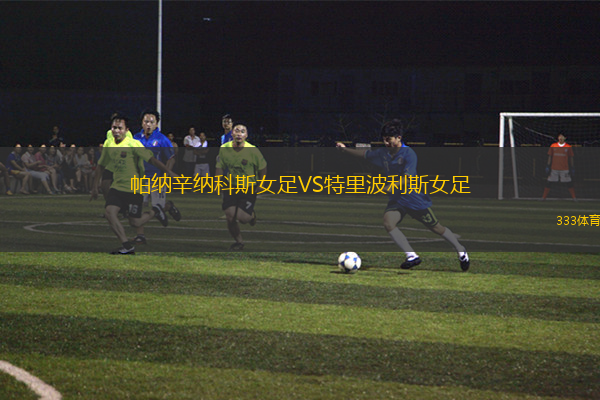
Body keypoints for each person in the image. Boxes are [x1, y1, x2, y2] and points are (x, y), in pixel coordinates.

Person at [336, 119, 470, 271]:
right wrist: (345, 150)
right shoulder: (383, 153)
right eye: (384, 140)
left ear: (398, 138)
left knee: (437, 228)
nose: (386, 143)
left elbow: (408, 178)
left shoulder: (409, 154)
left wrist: (390, 186)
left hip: (414, 198)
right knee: (388, 222)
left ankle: (461, 250)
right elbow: (365, 154)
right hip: (397, 199)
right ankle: (412, 256)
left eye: (389, 140)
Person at [90, 113, 177, 255]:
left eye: (120, 128)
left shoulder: (134, 144)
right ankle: (127, 246)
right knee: (109, 212)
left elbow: (152, 160)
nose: (116, 131)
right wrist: (95, 187)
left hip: (133, 189)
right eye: (114, 127)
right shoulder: (108, 144)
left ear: (126, 130)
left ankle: (155, 211)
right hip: (117, 188)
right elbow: (101, 166)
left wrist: (168, 172)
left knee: (135, 222)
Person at [132, 109, 181, 245]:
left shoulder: (162, 139)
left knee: (157, 207)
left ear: (156, 124)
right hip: (139, 179)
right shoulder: (135, 138)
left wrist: (166, 175)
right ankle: (140, 235)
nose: (148, 124)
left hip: (157, 178)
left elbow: (171, 158)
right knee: (139, 207)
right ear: (142, 123)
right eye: (146, 121)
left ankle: (168, 206)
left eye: (151, 122)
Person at [215, 123, 267, 251]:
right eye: (237, 131)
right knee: (230, 216)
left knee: (243, 218)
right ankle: (239, 242)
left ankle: (251, 215)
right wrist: (217, 182)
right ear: (232, 134)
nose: (239, 134)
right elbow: (219, 166)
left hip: (248, 187)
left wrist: (262, 184)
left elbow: (263, 167)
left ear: (246, 135)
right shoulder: (224, 148)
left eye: (242, 131)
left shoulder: (253, 150)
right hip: (231, 186)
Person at [542, 133, 576, 201]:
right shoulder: (553, 145)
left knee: (569, 183)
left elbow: (571, 157)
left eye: (562, 136)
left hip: (565, 169)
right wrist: (548, 166)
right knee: (549, 182)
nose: (560, 138)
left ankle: (574, 198)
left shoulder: (568, 147)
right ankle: (543, 198)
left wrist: (572, 167)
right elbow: (550, 156)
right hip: (554, 168)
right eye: (559, 136)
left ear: (565, 138)